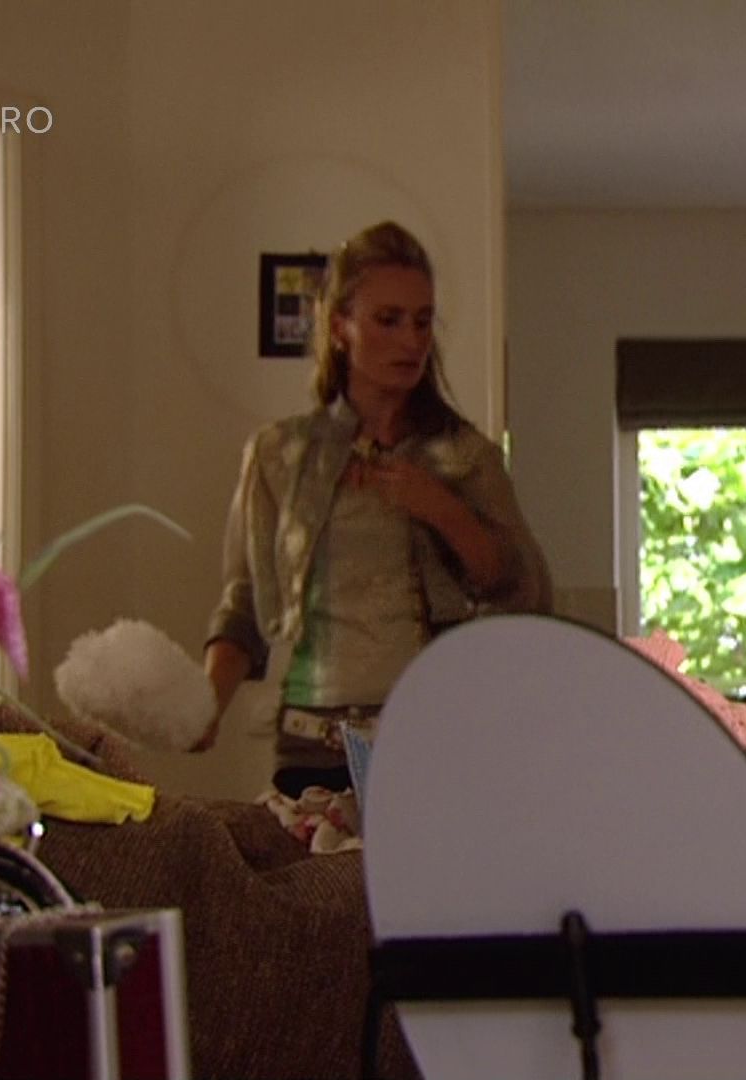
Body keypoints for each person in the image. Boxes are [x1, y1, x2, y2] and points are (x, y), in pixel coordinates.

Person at [199, 221, 552, 796]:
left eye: (422, 321)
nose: (410, 341)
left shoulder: (465, 457)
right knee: (310, 859)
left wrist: (442, 510)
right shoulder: (281, 455)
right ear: (340, 326)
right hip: (309, 744)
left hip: (432, 736)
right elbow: (244, 604)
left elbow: (526, 591)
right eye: (388, 320)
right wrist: (205, 707)